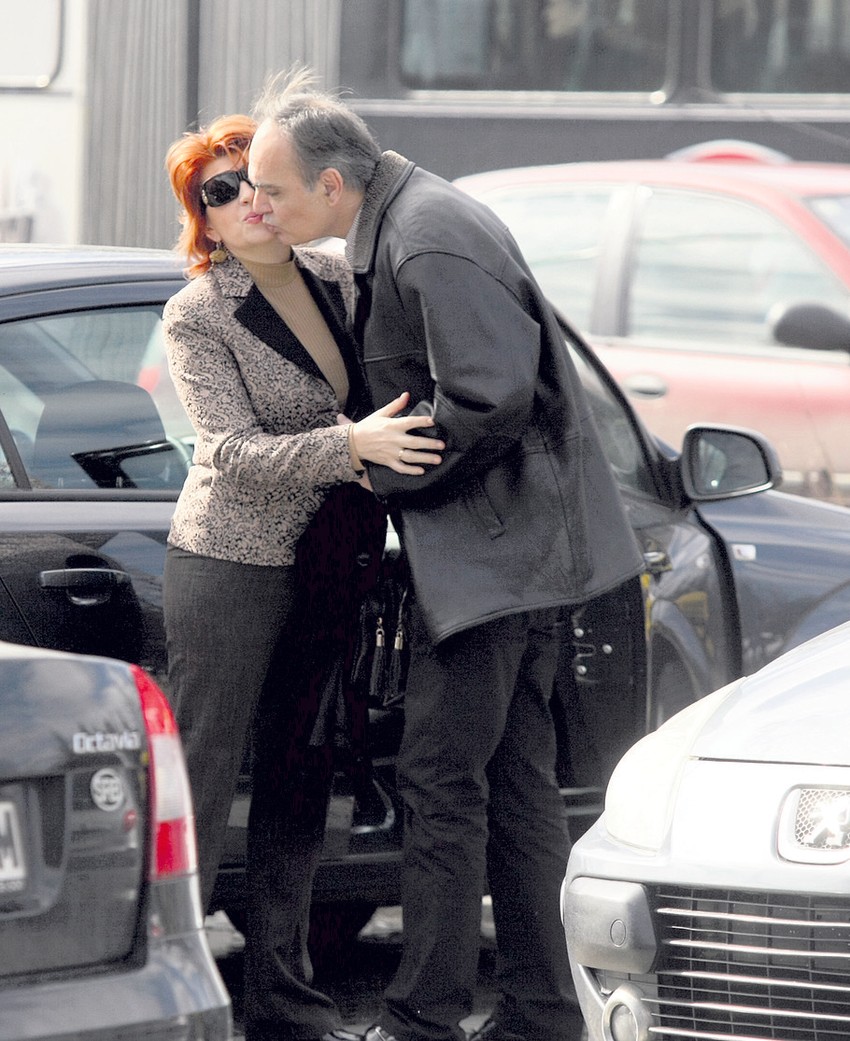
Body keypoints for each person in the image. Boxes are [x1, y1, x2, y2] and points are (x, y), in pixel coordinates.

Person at [247, 72, 645, 1041]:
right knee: (514, 784)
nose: (260, 206)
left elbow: (488, 396)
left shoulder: (424, 236)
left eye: (274, 191)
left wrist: (382, 466)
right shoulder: (414, 219)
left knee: (439, 780)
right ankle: (541, 1011)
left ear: (333, 185)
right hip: (508, 560)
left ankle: (423, 1016)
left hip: (493, 568)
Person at [161, 114, 444, 1041]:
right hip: (229, 564)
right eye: (219, 190)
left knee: (301, 775)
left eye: (252, 177)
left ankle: (285, 1002)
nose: (245, 197)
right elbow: (230, 451)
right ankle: (171, 994)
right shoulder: (198, 311)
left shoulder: (336, 274)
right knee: (201, 781)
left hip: (330, 563)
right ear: (202, 219)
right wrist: (351, 446)